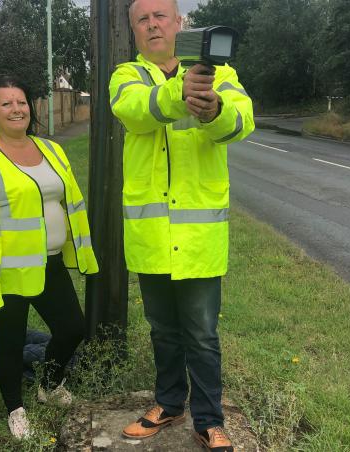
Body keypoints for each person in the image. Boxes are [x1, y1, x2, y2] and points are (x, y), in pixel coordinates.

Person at [109, 0, 255, 450]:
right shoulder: (126, 76)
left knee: (202, 335)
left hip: (198, 238)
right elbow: (133, 110)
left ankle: (209, 420)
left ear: (180, 23)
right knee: (163, 331)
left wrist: (212, 111)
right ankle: (169, 404)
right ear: (134, 31)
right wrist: (179, 93)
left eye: (160, 16)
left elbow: (243, 121)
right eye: (142, 19)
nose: (152, 25)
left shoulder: (220, 74)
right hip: (152, 238)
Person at [0, 75, 98, 439]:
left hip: (48, 263)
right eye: (6, 103)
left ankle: (49, 386)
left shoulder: (51, 149)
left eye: (22, 102)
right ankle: (15, 409)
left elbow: (69, 202)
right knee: (11, 342)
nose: (17, 109)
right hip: (7, 270)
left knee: (73, 329)